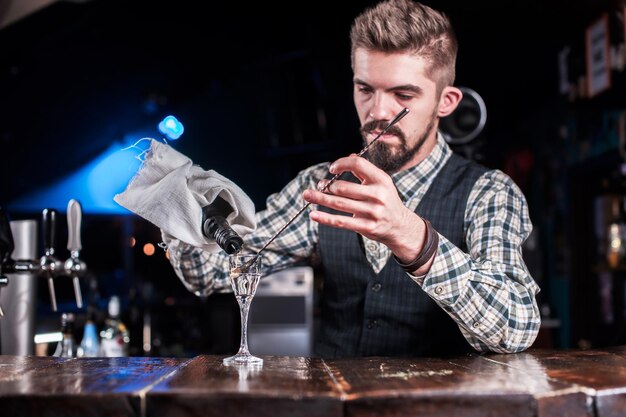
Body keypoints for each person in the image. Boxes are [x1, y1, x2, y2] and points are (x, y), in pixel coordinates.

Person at [164, 0, 541, 358]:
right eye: (365, 89)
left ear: (446, 101)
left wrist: (414, 238)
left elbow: (515, 328)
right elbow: (217, 271)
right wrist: (172, 209)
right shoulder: (322, 185)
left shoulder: (489, 192)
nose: (378, 112)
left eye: (403, 94)